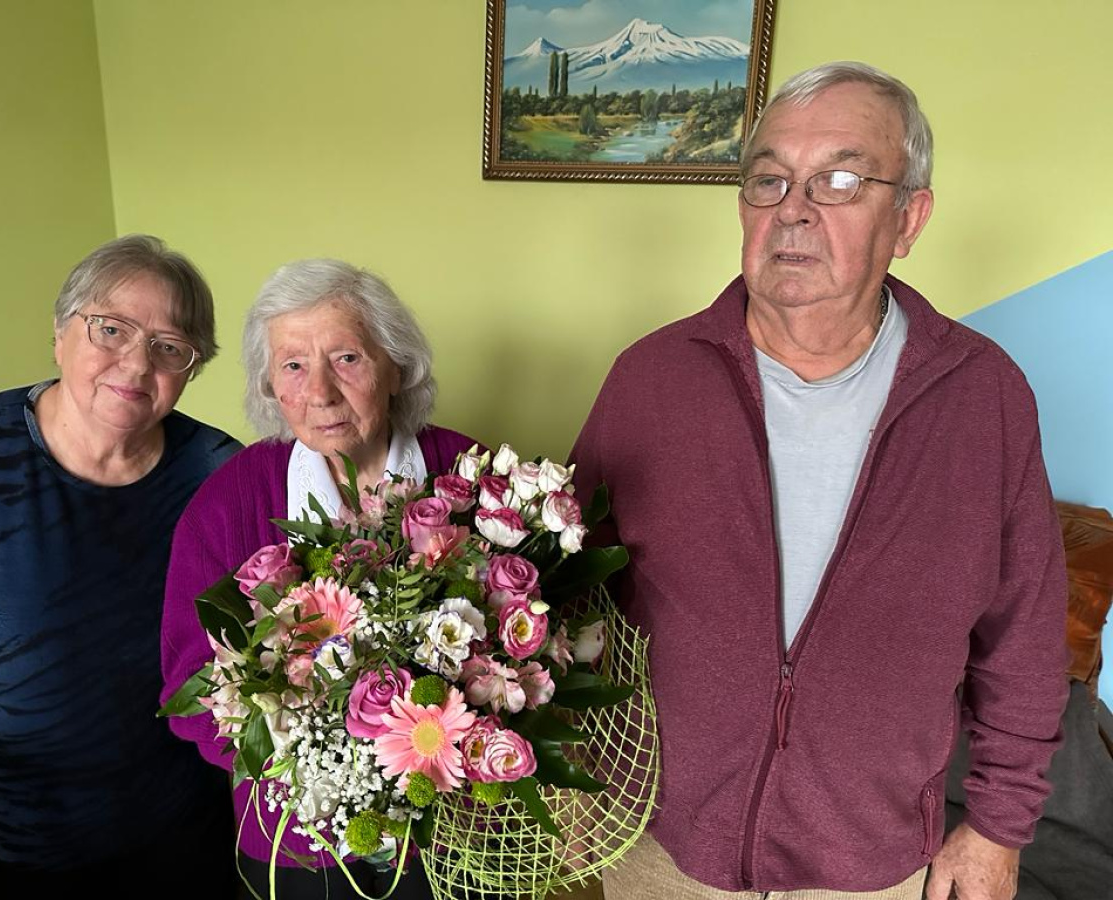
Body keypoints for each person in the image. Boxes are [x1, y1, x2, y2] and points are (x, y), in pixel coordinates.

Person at [570, 62, 1068, 900]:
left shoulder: (983, 396)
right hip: (656, 842)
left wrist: (997, 827)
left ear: (909, 218)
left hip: (870, 859)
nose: (793, 210)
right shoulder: (651, 379)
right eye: (768, 179)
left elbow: (1025, 630)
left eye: (839, 181)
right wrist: (567, 760)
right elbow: (565, 586)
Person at [0, 235, 242, 898]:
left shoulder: (223, 476)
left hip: (183, 833)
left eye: (169, 347)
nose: (137, 363)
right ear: (60, 332)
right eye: (111, 329)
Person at [161, 259, 482, 899]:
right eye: (293, 365)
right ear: (270, 386)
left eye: (347, 358)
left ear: (396, 367)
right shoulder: (227, 503)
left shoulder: (469, 474)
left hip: (454, 828)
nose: (321, 391)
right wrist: (320, 759)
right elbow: (188, 688)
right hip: (296, 839)